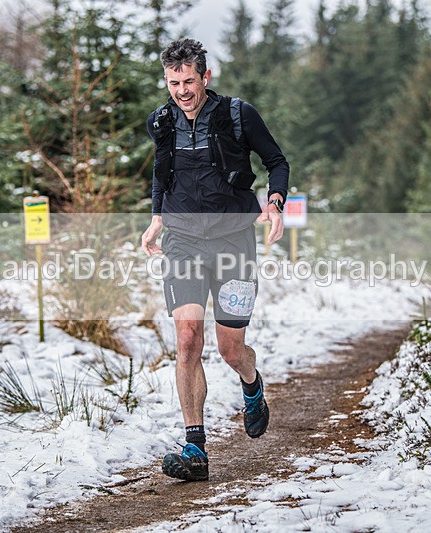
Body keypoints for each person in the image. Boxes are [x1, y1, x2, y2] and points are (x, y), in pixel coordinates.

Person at [141, 38, 289, 482]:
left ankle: (251, 384)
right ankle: (195, 448)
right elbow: (162, 173)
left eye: (189, 81)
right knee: (187, 338)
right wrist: (156, 219)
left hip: (233, 243)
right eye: (173, 83)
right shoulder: (161, 121)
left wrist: (275, 203)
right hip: (183, 243)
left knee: (230, 349)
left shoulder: (238, 115)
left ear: (205, 77)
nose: (182, 91)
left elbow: (276, 161)